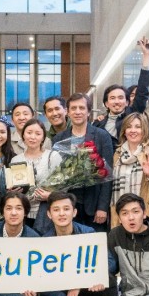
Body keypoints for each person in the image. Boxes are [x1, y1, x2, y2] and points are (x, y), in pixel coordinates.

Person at [34, 191, 118, 296]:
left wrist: (81, 283)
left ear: (74, 212)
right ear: (49, 214)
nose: (62, 213)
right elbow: (42, 279)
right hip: (62, 290)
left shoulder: (88, 233)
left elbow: (110, 263)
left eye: (66, 209)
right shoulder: (45, 241)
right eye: (56, 209)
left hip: (85, 290)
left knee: (110, 281)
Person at [52, 93, 113, 232]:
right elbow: (56, 173)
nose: (77, 112)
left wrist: (102, 207)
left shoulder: (102, 136)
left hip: (95, 205)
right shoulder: (59, 139)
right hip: (68, 205)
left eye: (82, 108)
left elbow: (108, 174)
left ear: (89, 112)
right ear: (67, 112)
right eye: (73, 108)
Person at [93, 36, 149, 148]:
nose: (117, 101)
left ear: (127, 102)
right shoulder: (98, 124)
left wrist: (147, 56)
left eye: (121, 98)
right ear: (106, 103)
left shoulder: (132, 113)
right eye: (112, 98)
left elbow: (142, 91)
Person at [111, 112, 149, 227]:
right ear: (124, 131)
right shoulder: (117, 154)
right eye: (129, 127)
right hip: (119, 216)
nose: (133, 130)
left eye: (137, 127)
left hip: (146, 215)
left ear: (144, 130)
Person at [10, 118, 62, 230]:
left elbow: (64, 188)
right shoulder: (16, 160)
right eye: (29, 133)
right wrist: (12, 192)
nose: (33, 137)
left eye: (38, 134)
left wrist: (50, 196)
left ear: (43, 137)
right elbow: (14, 188)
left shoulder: (53, 156)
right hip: (22, 213)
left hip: (47, 212)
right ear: (23, 135)